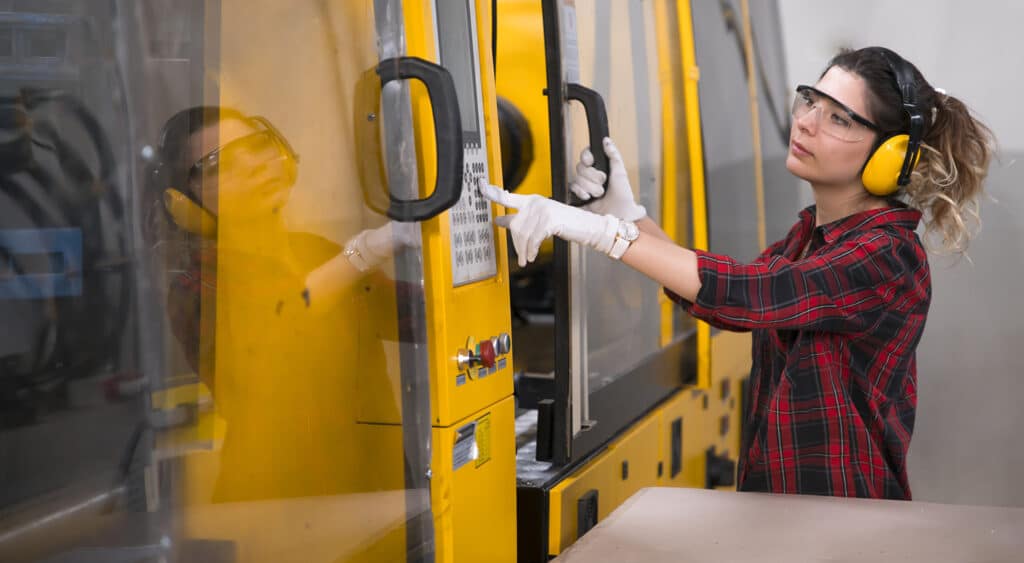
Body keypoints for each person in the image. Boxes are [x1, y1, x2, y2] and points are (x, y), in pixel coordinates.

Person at [481, 46, 994, 499]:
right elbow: (730, 300)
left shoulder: (887, 255)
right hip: (784, 511)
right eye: (811, 101)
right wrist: (628, 217)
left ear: (891, 154)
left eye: (840, 118)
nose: (807, 122)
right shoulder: (809, 238)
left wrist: (610, 236)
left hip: (844, 521)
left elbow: (750, 296)